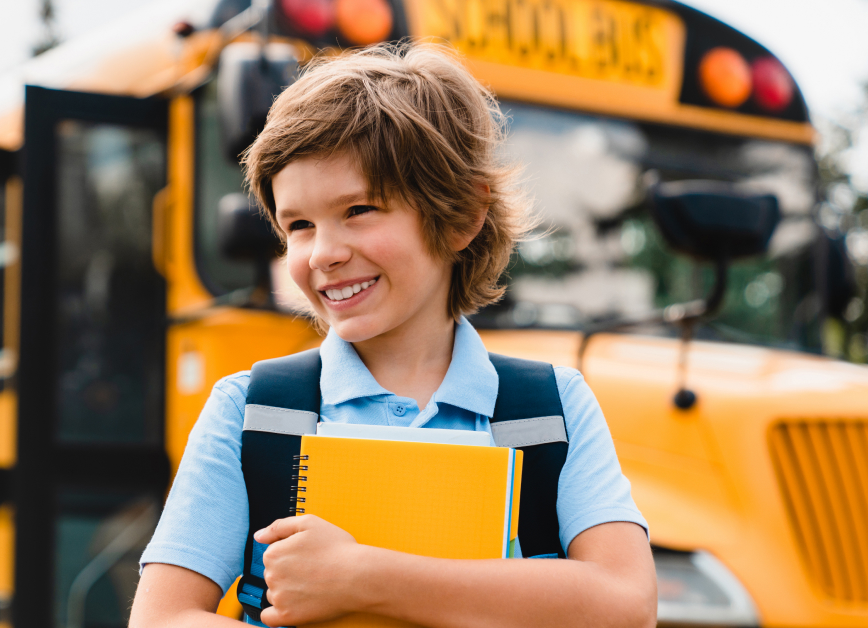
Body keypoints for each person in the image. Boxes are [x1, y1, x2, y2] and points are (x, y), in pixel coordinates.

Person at [130, 42, 656, 628]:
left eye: (358, 210)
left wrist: (362, 577)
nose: (324, 253)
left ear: (459, 216)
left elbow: (626, 606)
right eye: (298, 226)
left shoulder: (552, 408)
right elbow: (163, 616)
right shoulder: (251, 410)